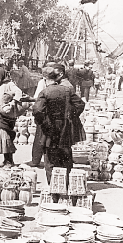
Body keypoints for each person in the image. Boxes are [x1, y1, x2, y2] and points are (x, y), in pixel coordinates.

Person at [33, 64, 86, 203]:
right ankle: (66, 188)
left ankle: (54, 190)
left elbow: (37, 111)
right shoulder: (67, 90)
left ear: (45, 79)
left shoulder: (45, 92)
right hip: (65, 130)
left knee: (50, 160)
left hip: (50, 130)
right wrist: (70, 117)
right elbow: (80, 104)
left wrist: (44, 123)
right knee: (66, 158)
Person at [0, 67, 23, 167]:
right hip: (0, 114)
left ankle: (10, 161)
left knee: (6, 138)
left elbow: (19, 92)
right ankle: (5, 159)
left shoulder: (9, 84)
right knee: (1, 138)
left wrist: (12, 102)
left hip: (7, 116)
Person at [28, 67, 56, 167]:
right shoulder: (62, 86)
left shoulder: (42, 84)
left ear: (45, 77)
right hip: (57, 119)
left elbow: (37, 102)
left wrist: (37, 116)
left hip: (44, 117)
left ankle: (36, 161)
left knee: (40, 139)